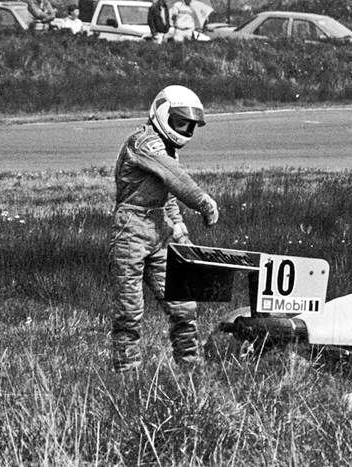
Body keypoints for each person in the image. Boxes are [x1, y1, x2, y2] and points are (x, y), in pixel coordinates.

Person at [108, 85, 219, 373]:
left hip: (159, 228)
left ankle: (191, 368)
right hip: (131, 227)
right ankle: (126, 372)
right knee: (129, 310)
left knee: (184, 306)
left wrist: (179, 227)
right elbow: (175, 178)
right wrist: (203, 202)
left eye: (190, 125)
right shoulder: (144, 142)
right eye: (181, 122)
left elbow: (166, 192)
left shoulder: (166, 149)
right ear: (163, 114)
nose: (185, 129)